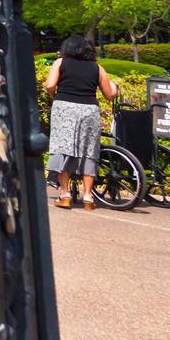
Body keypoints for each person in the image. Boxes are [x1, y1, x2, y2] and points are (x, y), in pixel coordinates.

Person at [44, 35, 118, 210]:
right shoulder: (97, 68)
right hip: (89, 110)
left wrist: (55, 96)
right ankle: (88, 197)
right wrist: (115, 88)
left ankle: (65, 194)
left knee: (63, 147)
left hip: (64, 107)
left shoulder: (60, 63)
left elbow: (49, 85)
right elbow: (109, 94)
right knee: (89, 150)